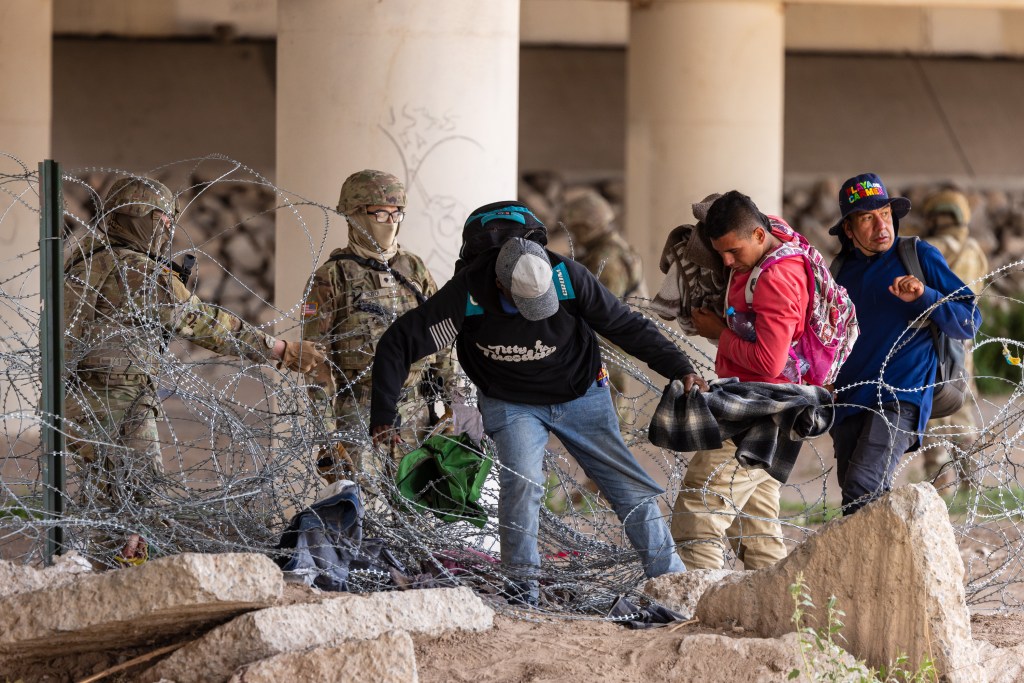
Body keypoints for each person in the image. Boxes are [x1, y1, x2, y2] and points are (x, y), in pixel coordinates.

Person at [369, 201, 707, 605]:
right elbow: (398, 343)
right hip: (510, 401)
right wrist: (383, 416)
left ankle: (671, 583)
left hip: (582, 393)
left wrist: (680, 367)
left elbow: (625, 325)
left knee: (628, 487)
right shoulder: (469, 292)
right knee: (521, 486)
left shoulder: (568, 278)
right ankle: (521, 592)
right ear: (499, 285)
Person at [64, 176, 325, 565]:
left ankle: (107, 571)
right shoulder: (137, 271)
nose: (168, 229)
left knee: (109, 493)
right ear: (136, 216)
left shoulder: (86, 259)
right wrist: (278, 348)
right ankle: (118, 582)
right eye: (161, 219)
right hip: (120, 396)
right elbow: (200, 322)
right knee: (137, 492)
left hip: (79, 395)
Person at [670, 190, 810, 570]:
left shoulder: (776, 279)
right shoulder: (775, 235)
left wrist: (719, 331)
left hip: (757, 406)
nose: (728, 262)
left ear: (759, 236)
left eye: (734, 252)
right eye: (720, 254)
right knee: (757, 528)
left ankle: (697, 606)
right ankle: (781, 615)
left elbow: (768, 361)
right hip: (775, 405)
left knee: (698, 511)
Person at [828, 173, 981, 514]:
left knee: (862, 488)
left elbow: (969, 319)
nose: (881, 225)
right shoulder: (840, 272)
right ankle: (889, 561)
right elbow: (830, 336)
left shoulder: (918, 255)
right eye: (867, 217)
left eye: (885, 213)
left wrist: (924, 295)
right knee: (860, 499)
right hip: (850, 401)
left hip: (900, 396)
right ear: (849, 230)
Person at [302, 169, 453, 484]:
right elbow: (314, 362)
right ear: (355, 215)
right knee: (359, 514)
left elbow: (441, 337)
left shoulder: (414, 268)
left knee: (416, 516)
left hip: (415, 412)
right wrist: (328, 436)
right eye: (380, 213)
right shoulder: (332, 277)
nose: (391, 222)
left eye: (397, 213)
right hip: (358, 411)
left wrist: (452, 402)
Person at [919, 189, 989, 489]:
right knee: (962, 403)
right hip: (963, 337)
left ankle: (940, 478)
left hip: (935, 338)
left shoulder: (932, 246)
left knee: (934, 405)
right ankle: (972, 477)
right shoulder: (974, 248)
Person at [562, 189, 646, 424]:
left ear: (588, 226)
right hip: (612, 343)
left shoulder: (606, 258)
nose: (575, 236)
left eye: (577, 229)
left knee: (611, 415)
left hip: (606, 345)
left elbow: (601, 309)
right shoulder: (615, 250)